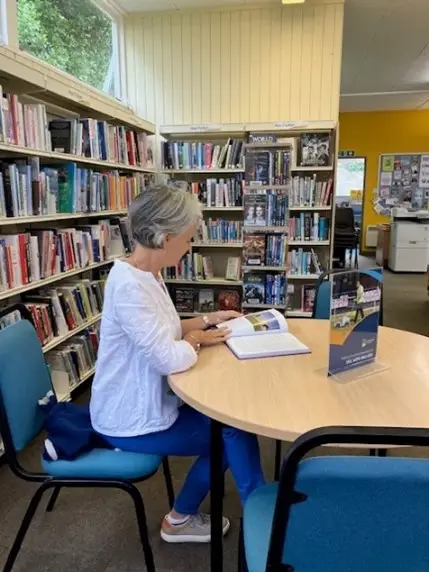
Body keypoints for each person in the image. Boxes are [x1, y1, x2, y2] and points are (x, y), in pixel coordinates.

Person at [90, 185, 265, 544]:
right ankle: (245, 518)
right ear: (163, 238)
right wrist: (196, 340)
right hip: (129, 419)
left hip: (147, 402)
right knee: (231, 431)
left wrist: (208, 319)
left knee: (231, 428)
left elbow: (164, 330)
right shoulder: (129, 289)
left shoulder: (146, 275)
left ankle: (251, 509)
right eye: (186, 239)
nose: (190, 247)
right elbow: (168, 356)